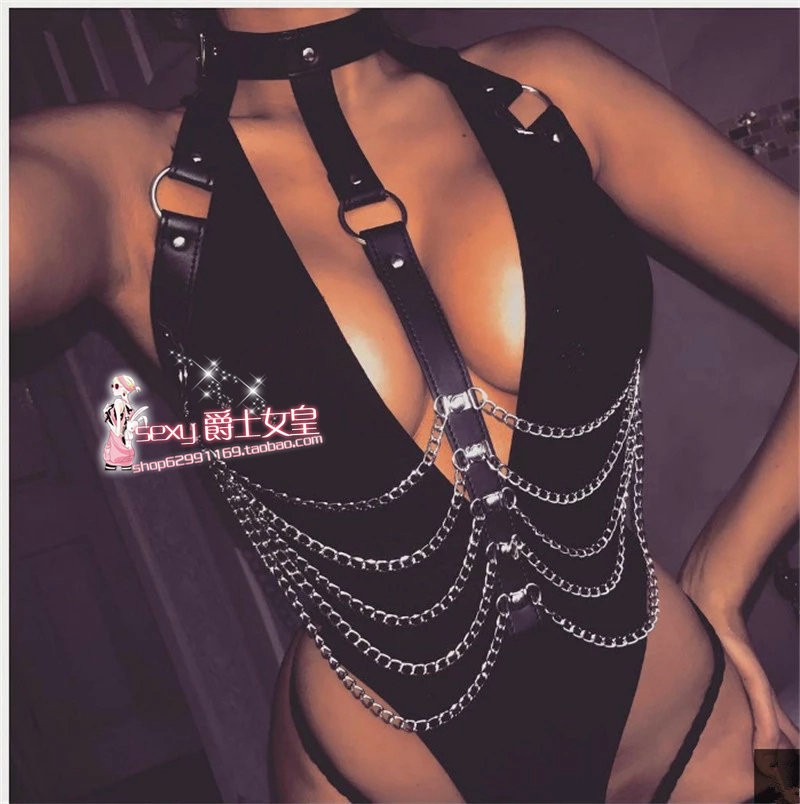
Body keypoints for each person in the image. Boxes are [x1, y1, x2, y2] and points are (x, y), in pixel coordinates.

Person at [9, 8, 799, 802]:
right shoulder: (119, 179)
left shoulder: (550, 85)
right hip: (372, 775)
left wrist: (724, 571)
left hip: (704, 729)